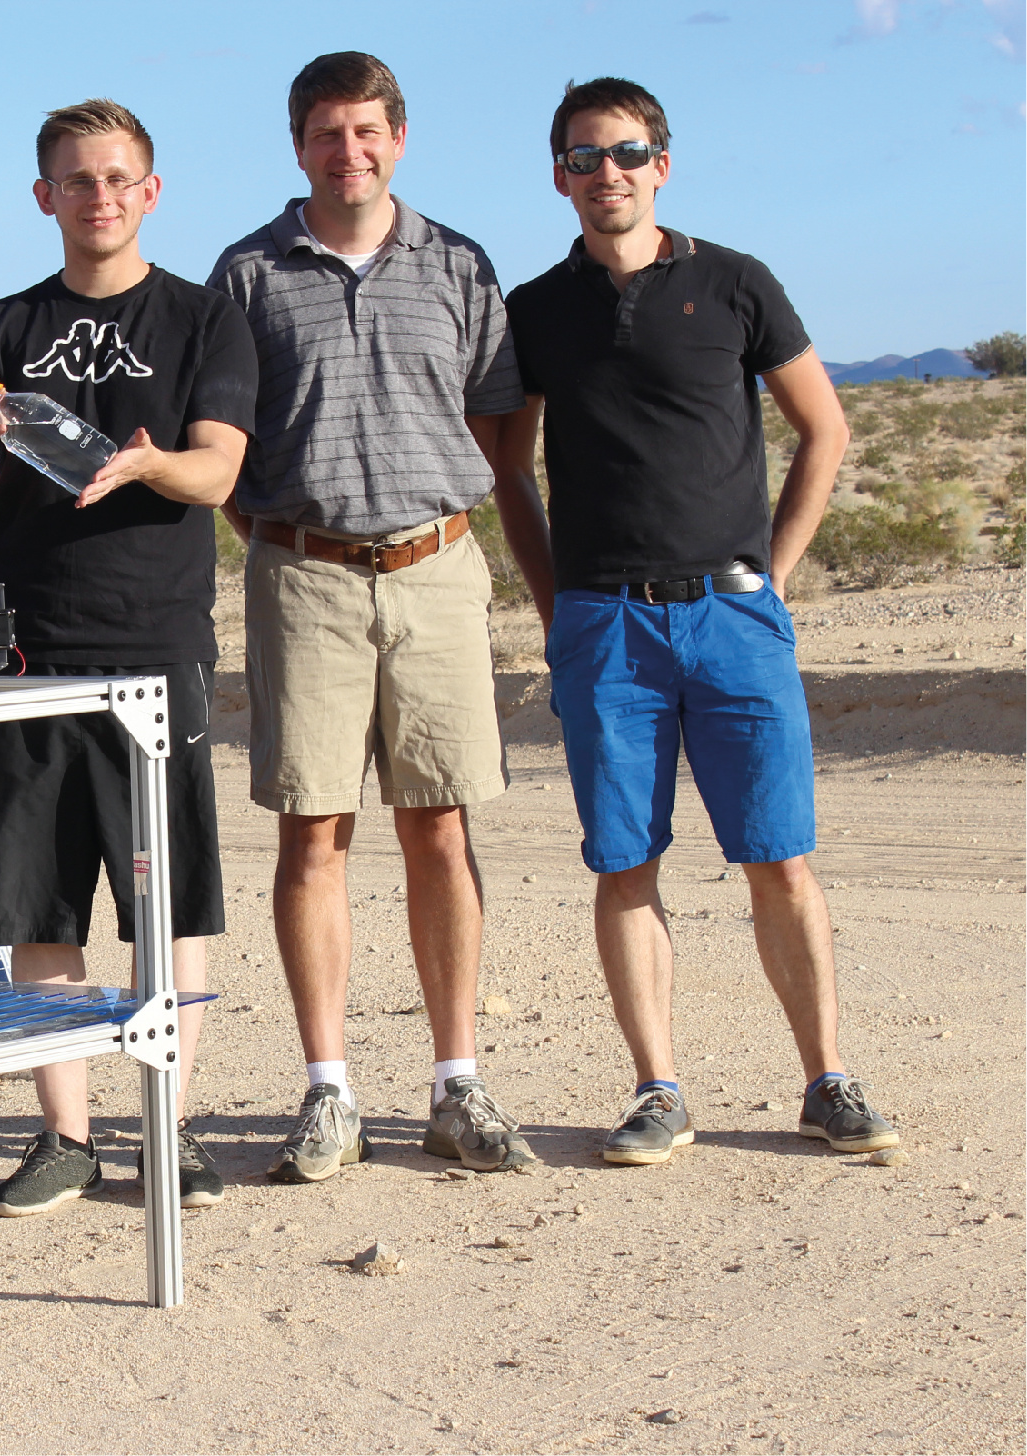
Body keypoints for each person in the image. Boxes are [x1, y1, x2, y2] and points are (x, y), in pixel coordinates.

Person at [499, 77, 899, 1165]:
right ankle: (658, 1088)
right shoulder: (535, 309)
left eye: (626, 153)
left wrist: (771, 575)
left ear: (661, 165)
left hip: (732, 616)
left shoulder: (734, 284)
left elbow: (826, 428)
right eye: (584, 158)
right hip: (605, 628)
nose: (606, 174)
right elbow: (510, 471)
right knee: (624, 861)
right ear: (559, 176)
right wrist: (557, 605)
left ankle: (825, 1078)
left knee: (779, 856)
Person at [208, 53, 550, 1181]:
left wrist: (462, 527)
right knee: (313, 833)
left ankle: (458, 1082)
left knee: (440, 827)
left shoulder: (458, 262)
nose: (347, 152)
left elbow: (501, 426)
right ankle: (327, 1090)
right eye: (325, 134)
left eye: (366, 131)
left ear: (399, 137)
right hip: (300, 573)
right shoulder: (248, 274)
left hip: (437, 569)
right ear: (297, 146)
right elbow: (225, 442)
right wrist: (283, 537)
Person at [0, 98, 258, 1215]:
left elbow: (218, 473)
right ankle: (65, 1135)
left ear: (150, 191)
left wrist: (151, 465)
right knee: (40, 904)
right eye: (78, 180)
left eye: (119, 179)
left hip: (155, 648)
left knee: (170, 907)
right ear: (45, 197)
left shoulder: (203, 321)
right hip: (27, 650)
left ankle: (169, 1130)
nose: (100, 197)